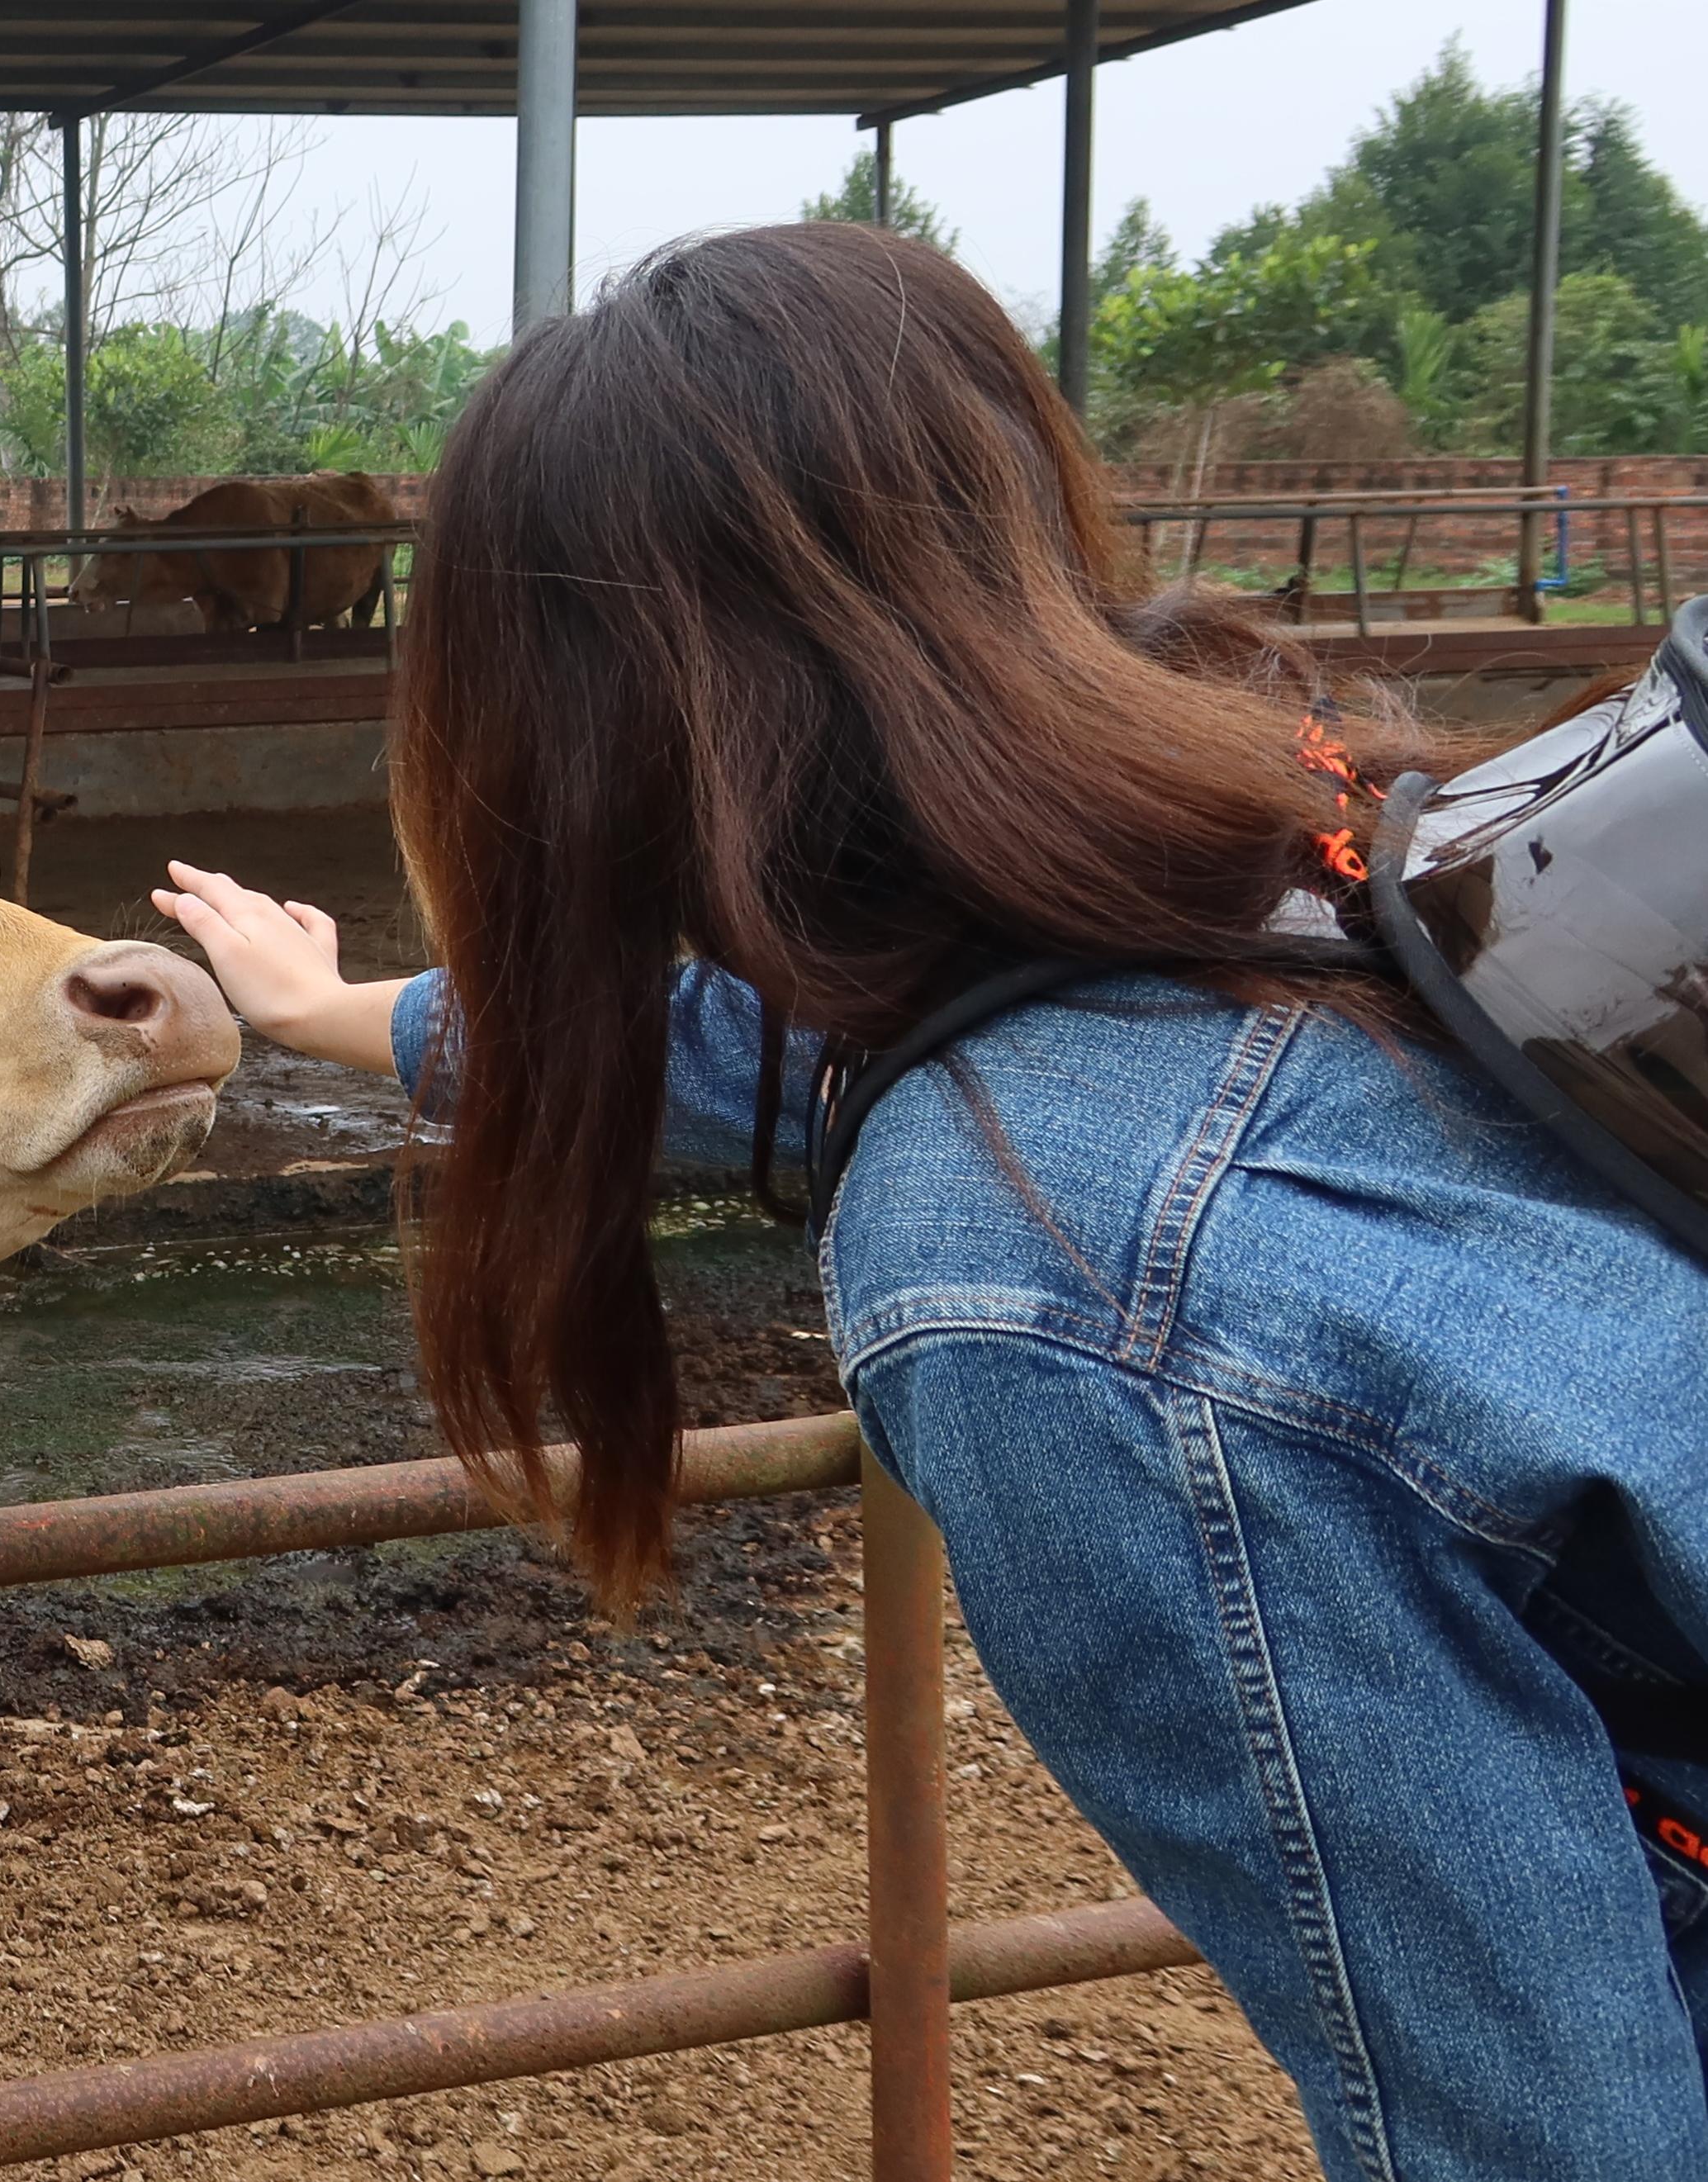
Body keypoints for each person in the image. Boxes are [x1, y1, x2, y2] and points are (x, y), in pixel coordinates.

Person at [152, 222, 1706, 2182]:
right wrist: (353, 1012)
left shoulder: (1044, 1274)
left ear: (572, 725)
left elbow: (1547, 2132)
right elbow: (788, 1031)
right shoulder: (1316, 830)